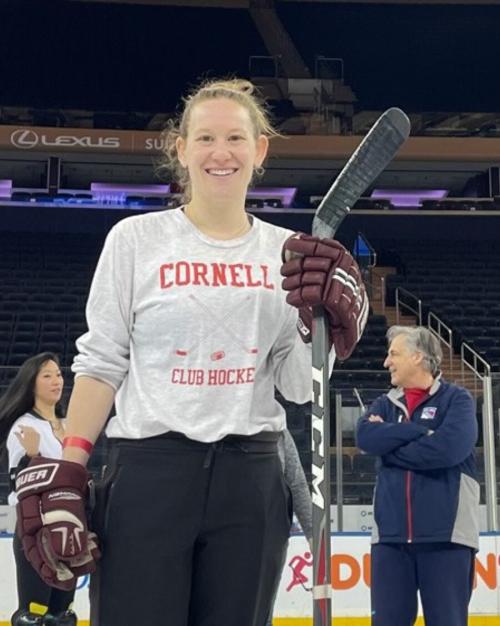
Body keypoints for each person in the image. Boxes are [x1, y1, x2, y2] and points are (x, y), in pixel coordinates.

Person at [15, 78, 368, 626]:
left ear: (260, 149)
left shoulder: (290, 254)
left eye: (234, 138)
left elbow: (300, 388)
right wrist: (71, 470)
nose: (220, 152)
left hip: (251, 478)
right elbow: (102, 363)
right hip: (149, 473)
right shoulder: (134, 239)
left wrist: (326, 333)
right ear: (180, 149)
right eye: (204, 138)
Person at [356, 326, 479, 626]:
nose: (386, 362)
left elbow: (448, 450)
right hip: (390, 540)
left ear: (418, 357)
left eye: (394, 354)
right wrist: (418, 432)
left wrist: (391, 447)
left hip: (447, 539)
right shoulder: (385, 404)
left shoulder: (457, 400)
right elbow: (365, 438)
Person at [0, 353, 77, 626]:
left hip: (70, 529)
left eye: (58, 374)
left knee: (63, 614)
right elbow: (18, 485)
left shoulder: (71, 425)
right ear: (31, 384)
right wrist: (31, 457)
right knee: (34, 614)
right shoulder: (24, 427)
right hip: (36, 529)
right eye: (47, 375)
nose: (57, 381)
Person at [265, 428, 312, 626]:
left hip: (270, 535)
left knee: (262, 610)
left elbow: (297, 482)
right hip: (224, 536)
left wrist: (313, 532)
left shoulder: (278, 430)